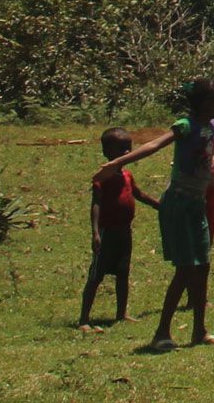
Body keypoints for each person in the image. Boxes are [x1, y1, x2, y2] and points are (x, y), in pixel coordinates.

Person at [92, 79, 214, 350]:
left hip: (197, 203)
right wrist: (116, 163)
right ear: (206, 104)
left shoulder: (213, 127)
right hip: (179, 204)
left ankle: (199, 331)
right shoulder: (184, 126)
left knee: (202, 266)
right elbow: (154, 146)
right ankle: (161, 333)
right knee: (185, 269)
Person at [78, 128, 160, 332]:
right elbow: (95, 205)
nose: (126, 152)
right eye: (121, 148)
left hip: (124, 232)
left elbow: (138, 194)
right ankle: (84, 319)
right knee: (96, 276)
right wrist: (95, 232)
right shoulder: (101, 178)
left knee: (123, 272)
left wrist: (160, 205)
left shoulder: (127, 175)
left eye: (129, 148)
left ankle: (121, 313)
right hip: (107, 232)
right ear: (107, 152)